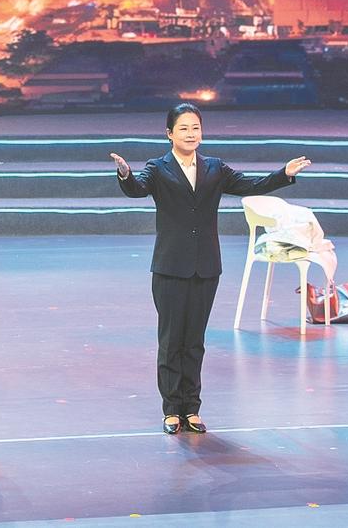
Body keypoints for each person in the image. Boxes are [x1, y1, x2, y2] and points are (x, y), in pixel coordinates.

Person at [109, 102, 311, 436]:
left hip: (206, 266)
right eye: (183, 128)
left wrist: (284, 174)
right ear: (169, 133)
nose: (191, 134)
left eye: (196, 128)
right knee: (171, 340)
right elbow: (137, 189)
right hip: (170, 266)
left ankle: (192, 408)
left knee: (194, 341)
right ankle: (172, 409)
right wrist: (125, 175)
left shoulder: (215, 168)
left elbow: (250, 186)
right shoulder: (158, 168)